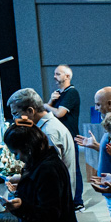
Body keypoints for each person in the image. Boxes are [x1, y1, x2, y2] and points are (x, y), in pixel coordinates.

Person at [7, 88, 76, 185]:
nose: (15, 119)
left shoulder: (48, 133)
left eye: (16, 114)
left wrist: (23, 179)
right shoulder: (47, 127)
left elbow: (49, 173)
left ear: (30, 111)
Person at [44, 65, 84, 209]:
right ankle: (66, 199)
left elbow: (59, 113)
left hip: (70, 136)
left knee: (73, 169)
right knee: (61, 169)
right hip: (59, 136)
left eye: (58, 74)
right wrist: (50, 101)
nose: (54, 77)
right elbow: (48, 113)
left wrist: (46, 105)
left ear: (67, 76)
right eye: (54, 74)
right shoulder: (58, 94)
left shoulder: (71, 93)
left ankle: (77, 201)